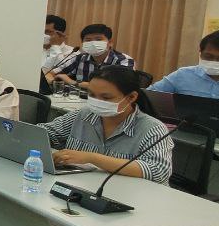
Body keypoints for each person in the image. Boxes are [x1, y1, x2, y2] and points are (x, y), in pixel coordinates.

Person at [43, 65, 173, 184]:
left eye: (106, 98)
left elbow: (158, 171)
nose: (97, 101)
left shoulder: (153, 128)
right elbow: (44, 133)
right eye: (92, 95)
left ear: (131, 97)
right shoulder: (84, 115)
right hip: (85, 186)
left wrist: (91, 158)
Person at [53, 23, 135, 86]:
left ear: (110, 43)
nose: (93, 43)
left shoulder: (124, 60)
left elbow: (120, 87)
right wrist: (52, 79)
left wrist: (74, 83)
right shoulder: (80, 58)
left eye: (98, 39)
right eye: (88, 40)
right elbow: (51, 73)